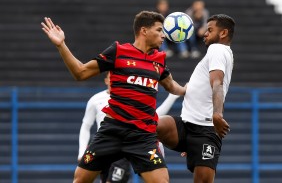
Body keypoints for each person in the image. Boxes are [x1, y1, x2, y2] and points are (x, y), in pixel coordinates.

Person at [41, 10, 186, 183]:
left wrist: (187, 90)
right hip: (112, 131)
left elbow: (171, 86)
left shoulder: (159, 60)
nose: (164, 35)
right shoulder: (118, 51)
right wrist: (61, 45)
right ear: (144, 31)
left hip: (143, 136)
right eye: (159, 30)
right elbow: (80, 72)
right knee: (80, 180)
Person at [157, 14, 235, 183]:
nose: (204, 33)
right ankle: (154, 172)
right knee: (150, 126)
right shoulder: (217, 53)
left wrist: (217, 115)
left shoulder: (217, 49)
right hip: (186, 125)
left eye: (210, 30)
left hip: (205, 131)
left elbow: (217, 83)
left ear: (223, 33)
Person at [78, 72, 179, 182]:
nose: (113, 81)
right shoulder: (95, 99)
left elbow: (151, 118)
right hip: (104, 145)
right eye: (111, 78)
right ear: (106, 80)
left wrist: (172, 98)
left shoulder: (129, 98)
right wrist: (81, 151)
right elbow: (86, 126)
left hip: (124, 144)